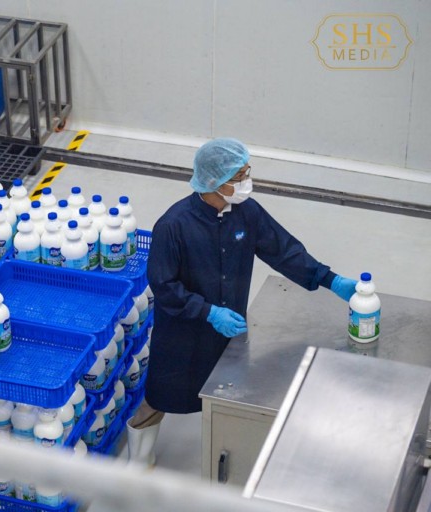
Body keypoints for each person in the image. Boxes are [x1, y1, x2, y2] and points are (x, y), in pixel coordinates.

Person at [126, 138, 357, 465]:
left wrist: (329, 279)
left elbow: (284, 251)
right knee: (160, 396)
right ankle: (139, 460)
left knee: (228, 392)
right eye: (239, 176)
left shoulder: (247, 213)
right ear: (213, 181)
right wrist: (207, 312)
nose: (246, 182)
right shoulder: (174, 225)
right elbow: (164, 286)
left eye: (247, 172)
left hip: (228, 331)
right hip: (182, 336)